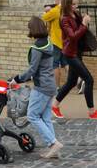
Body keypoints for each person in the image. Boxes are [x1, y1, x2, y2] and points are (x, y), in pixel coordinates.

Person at [51, 0, 97, 121]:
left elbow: (81, 31)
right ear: (67, 5)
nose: (76, 6)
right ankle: (92, 112)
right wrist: (84, 24)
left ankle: (54, 106)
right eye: (73, 4)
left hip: (77, 52)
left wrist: (84, 20)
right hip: (70, 54)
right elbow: (73, 36)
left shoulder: (75, 14)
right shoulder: (64, 19)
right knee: (89, 80)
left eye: (77, 3)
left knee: (71, 82)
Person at [13, 16, 61, 159]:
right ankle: (53, 149)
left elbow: (32, 70)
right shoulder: (49, 42)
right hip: (51, 84)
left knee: (32, 116)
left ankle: (53, 143)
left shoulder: (36, 48)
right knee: (45, 118)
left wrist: (17, 78)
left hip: (42, 86)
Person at [41, 0, 67, 92]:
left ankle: (57, 86)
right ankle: (77, 81)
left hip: (56, 41)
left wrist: (47, 10)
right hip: (66, 41)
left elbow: (44, 17)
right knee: (66, 63)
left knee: (55, 64)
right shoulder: (67, 10)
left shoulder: (55, 10)